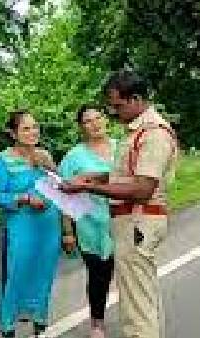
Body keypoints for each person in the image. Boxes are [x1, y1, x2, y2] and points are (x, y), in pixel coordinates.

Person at [61, 70, 178, 338]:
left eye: (117, 106)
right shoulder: (135, 131)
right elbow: (126, 174)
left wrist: (88, 186)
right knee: (138, 298)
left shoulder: (153, 133)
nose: (113, 113)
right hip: (129, 222)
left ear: (135, 99)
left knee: (138, 306)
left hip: (138, 219)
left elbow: (142, 188)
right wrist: (94, 177)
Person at [0, 111, 61, 337]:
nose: (33, 132)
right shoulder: (3, 161)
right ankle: (8, 324)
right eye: (26, 129)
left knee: (45, 272)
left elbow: (58, 187)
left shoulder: (44, 156)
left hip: (49, 224)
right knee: (17, 273)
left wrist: (53, 170)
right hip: (20, 225)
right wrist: (24, 198)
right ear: (13, 133)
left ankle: (40, 317)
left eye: (35, 127)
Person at [58, 105, 116, 338]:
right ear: (82, 127)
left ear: (105, 120)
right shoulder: (74, 156)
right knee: (98, 275)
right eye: (88, 121)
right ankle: (97, 324)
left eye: (98, 118)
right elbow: (63, 194)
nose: (95, 124)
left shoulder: (120, 148)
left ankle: (136, 316)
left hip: (121, 220)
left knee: (127, 272)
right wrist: (68, 231)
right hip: (90, 224)